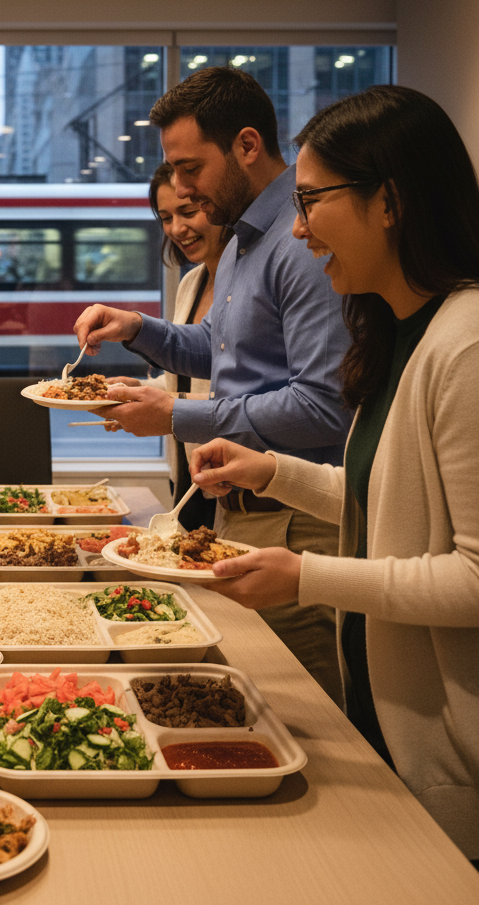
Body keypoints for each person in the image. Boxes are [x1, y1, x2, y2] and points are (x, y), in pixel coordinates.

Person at [189, 85, 479, 860]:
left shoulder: (465, 347)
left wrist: (309, 576)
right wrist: (273, 469)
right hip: (388, 722)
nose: (299, 226)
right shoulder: (399, 334)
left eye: (313, 201)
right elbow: (383, 500)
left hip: (452, 761)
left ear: (390, 201)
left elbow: (475, 578)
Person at [73, 66, 353, 703]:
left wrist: (177, 415)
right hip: (246, 511)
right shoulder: (243, 241)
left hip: (299, 520)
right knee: (258, 702)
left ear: (248, 146)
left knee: (312, 714)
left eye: (190, 168)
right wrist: (136, 327)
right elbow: (222, 350)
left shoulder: (298, 242)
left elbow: (324, 405)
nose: (178, 186)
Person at [109, 162, 228, 530]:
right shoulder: (191, 283)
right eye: (165, 217)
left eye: (188, 211)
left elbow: (250, 395)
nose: (177, 228)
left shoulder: (245, 283)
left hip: (230, 482)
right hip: (188, 479)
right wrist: (142, 390)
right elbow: (191, 382)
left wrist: (170, 409)